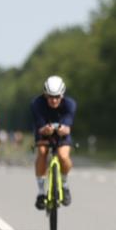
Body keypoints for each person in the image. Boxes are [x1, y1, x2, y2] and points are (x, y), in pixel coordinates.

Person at [31, 75, 76, 209]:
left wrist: (63, 129)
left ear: (62, 95)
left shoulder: (70, 104)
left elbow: (68, 126)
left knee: (63, 156)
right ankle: (40, 193)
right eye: (50, 96)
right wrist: (45, 130)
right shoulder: (36, 103)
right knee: (42, 153)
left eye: (57, 97)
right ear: (45, 94)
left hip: (62, 135)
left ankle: (64, 184)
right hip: (43, 132)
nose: (54, 100)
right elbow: (39, 125)